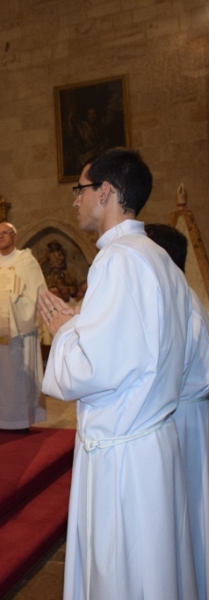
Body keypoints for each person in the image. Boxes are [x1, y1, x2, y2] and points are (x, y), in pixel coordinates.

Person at [39, 148, 197, 600]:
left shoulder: (117, 260)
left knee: (122, 571)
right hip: (152, 440)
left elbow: (91, 370)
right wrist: (81, 324)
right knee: (153, 568)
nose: (76, 201)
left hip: (122, 452)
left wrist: (65, 332)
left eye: (81, 189)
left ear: (105, 193)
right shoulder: (158, 259)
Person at [145, 223, 209, 600]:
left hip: (180, 418)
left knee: (184, 511)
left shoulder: (176, 302)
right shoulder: (181, 296)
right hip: (185, 415)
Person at [0, 222, 47, 430]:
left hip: (19, 329)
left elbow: (38, 294)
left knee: (17, 376)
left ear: (15, 235)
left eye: (6, 233)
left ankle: (21, 419)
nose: (2, 237)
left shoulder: (26, 261)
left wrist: (13, 300)